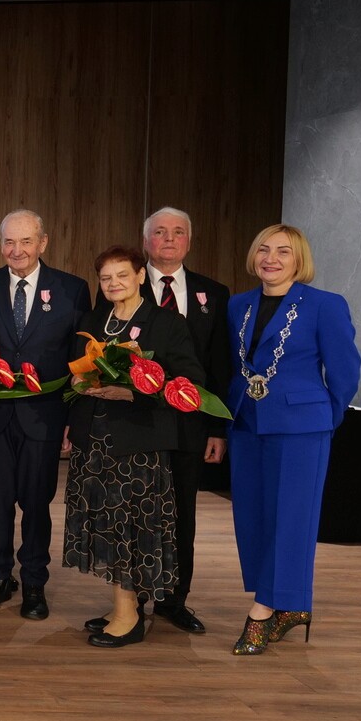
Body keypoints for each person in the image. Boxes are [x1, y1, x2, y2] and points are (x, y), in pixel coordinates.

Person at [226, 225, 358, 656]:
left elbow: (345, 372)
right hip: (247, 423)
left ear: (299, 260)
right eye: (263, 250)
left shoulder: (325, 305)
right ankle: (290, 605)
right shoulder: (238, 305)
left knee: (291, 519)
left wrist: (323, 418)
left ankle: (263, 610)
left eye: (283, 251)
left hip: (301, 428)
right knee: (253, 517)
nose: (271, 259)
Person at [66, 246, 203, 648]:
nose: (114, 284)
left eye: (122, 275)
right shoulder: (93, 321)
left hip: (138, 446)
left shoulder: (166, 322)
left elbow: (189, 381)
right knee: (106, 525)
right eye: (106, 278)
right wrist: (78, 382)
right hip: (95, 442)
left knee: (128, 527)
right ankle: (120, 607)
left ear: (141, 276)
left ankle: (129, 618)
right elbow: (76, 370)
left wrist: (134, 393)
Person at [0, 209, 89, 620]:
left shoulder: (72, 289)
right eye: (9, 242)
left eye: (26, 241)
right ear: (0, 245)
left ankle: (34, 583)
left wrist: (72, 417)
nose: (17, 250)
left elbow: (79, 358)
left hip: (44, 415)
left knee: (37, 505)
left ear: (43, 243)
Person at [133, 207, 231, 634]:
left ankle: (174, 599)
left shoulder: (214, 293)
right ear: (146, 242)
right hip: (138, 423)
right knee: (137, 513)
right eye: (159, 232)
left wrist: (217, 427)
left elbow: (219, 364)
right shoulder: (126, 284)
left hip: (191, 424)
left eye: (177, 232)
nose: (169, 239)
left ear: (189, 241)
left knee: (181, 515)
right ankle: (132, 599)